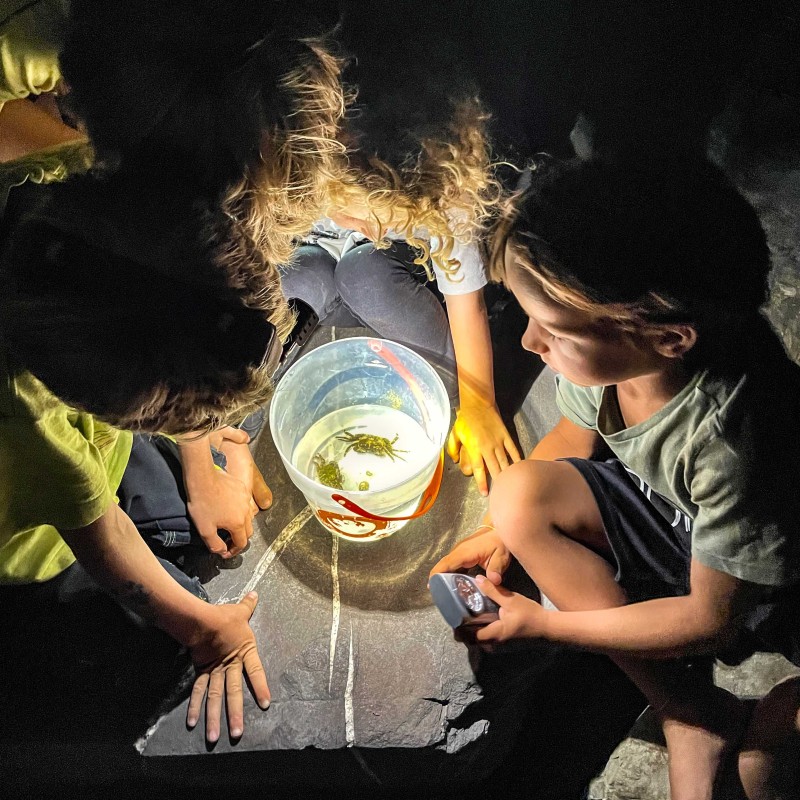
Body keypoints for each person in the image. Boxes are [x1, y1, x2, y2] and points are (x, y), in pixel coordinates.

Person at [430, 157, 800, 799]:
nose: (527, 343)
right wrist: (503, 533)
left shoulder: (731, 438)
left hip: (759, 586)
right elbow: (570, 439)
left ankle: (715, 715)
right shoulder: (624, 363)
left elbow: (712, 620)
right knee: (517, 494)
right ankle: (686, 711)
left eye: (553, 328)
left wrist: (545, 625)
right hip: (678, 526)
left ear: (668, 337)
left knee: (765, 765)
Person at [0, 168, 296, 743]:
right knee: (178, 589)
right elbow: (101, 532)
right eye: (174, 417)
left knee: (185, 525)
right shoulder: (24, 413)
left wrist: (202, 450)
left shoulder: (93, 204)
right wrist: (208, 633)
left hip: (93, 439)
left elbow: (175, 303)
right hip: (35, 533)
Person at [280, 66, 521, 496]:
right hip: (319, 265)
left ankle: (438, 379)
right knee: (301, 272)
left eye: (383, 222)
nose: (370, 231)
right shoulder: (298, 167)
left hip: (390, 277)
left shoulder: (444, 192)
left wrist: (479, 403)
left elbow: (467, 305)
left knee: (363, 270)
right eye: (356, 216)